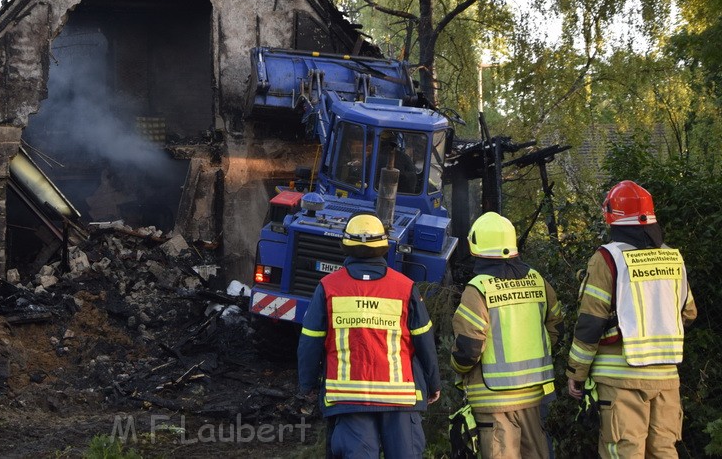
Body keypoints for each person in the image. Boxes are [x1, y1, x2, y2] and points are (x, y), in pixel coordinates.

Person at [566, 180, 697, 458]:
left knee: (624, 452)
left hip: (620, 379)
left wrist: (576, 373)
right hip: (666, 378)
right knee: (663, 451)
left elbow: (590, 323)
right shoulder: (673, 258)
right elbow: (689, 313)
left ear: (612, 218)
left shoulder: (607, 258)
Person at [298, 213, 441, 458]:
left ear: (346, 245)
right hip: (399, 399)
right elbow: (424, 341)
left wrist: (308, 384)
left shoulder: (328, 287)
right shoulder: (405, 287)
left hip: (348, 398)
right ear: (384, 246)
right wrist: (433, 384)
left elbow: (310, 341)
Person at [450, 211, 563, 459]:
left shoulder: (478, 288)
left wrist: (457, 367)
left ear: (475, 247)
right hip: (534, 396)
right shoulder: (537, 280)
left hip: (493, 400)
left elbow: (468, 349)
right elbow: (556, 325)